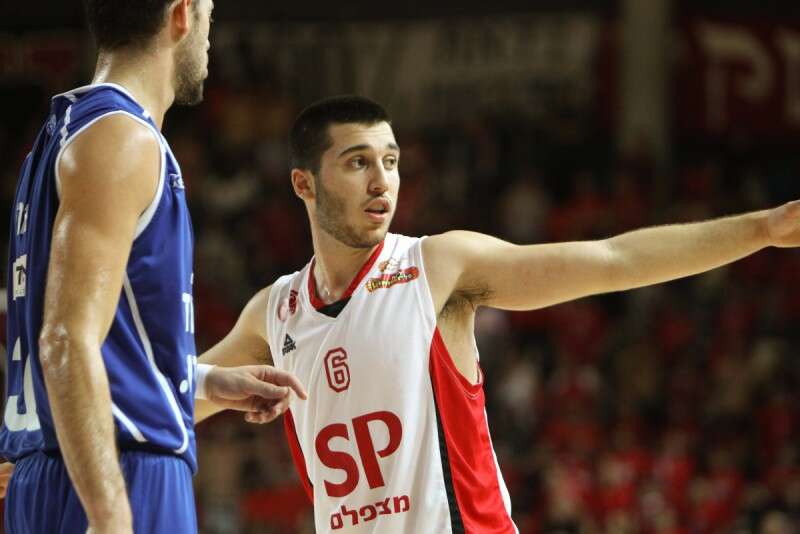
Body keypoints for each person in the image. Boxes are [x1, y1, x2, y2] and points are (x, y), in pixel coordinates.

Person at [196, 95, 800, 533]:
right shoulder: (275, 312)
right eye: (358, 162)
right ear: (304, 184)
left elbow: (614, 259)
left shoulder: (438, 266)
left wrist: (765, 229)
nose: (383, 181)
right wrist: (194, 383)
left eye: (391, 160)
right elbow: (174, 402)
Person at [0, 1, 306, 533]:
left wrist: (201, 382)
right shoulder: (120, 138)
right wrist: (110, 514)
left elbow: (92, 334)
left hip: (62, 467)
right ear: (181, 14)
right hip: (121, 473)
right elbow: (66, 338)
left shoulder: (66, 136)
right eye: (209, 13)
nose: (209, 35)